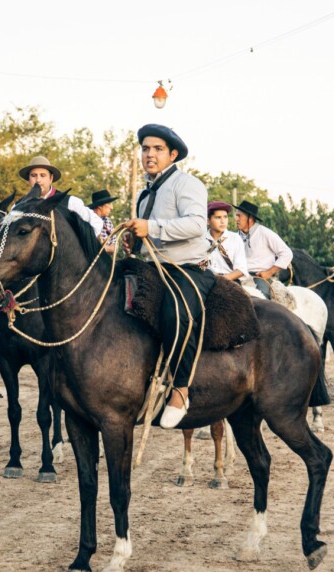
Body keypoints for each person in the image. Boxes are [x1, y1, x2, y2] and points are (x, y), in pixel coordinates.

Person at [123, 124, 214, 429]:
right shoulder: (143, 192)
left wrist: (152, 228)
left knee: (176, 313)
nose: (150, 154)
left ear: (172, 154)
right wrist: (134, 240)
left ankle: (181, 389)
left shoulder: (187, 184)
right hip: (152, 269)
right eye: (146, 148)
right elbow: (146, 235)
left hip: (186, 270)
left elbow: (196, 225)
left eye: (158, 149)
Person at [18, 156, 103, 236]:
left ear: (51, 178)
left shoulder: (70, 202)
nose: (38, 180)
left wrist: (80, 246)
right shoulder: (19, 206)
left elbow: (96, 223)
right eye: (33, 175)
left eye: (43, 175)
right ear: (29, 180)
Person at [234, 200, 293, 299]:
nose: (236, 219)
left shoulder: (265, 233)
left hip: (259, 277)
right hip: (238, 276)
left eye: (239, 216)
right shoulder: (235, 237)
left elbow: (287, 254)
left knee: (262, 301)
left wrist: (269, 272)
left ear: (250, 218)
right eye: (236, 216)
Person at [206, 201, 248, 282]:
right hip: (205, 281)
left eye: (225, 217)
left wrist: (221, 280)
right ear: (208, 221)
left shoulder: (235, 238)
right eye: (218, 217)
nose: (223, 221)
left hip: (230, 281)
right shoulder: (201, 239)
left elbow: (241, 269)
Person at [87, 189, 118, 254]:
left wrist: (105, 248)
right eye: (109, 203)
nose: (112, 207)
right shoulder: (87, 219)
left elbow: (115, 244)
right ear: (100, 206)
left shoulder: (107, 221)